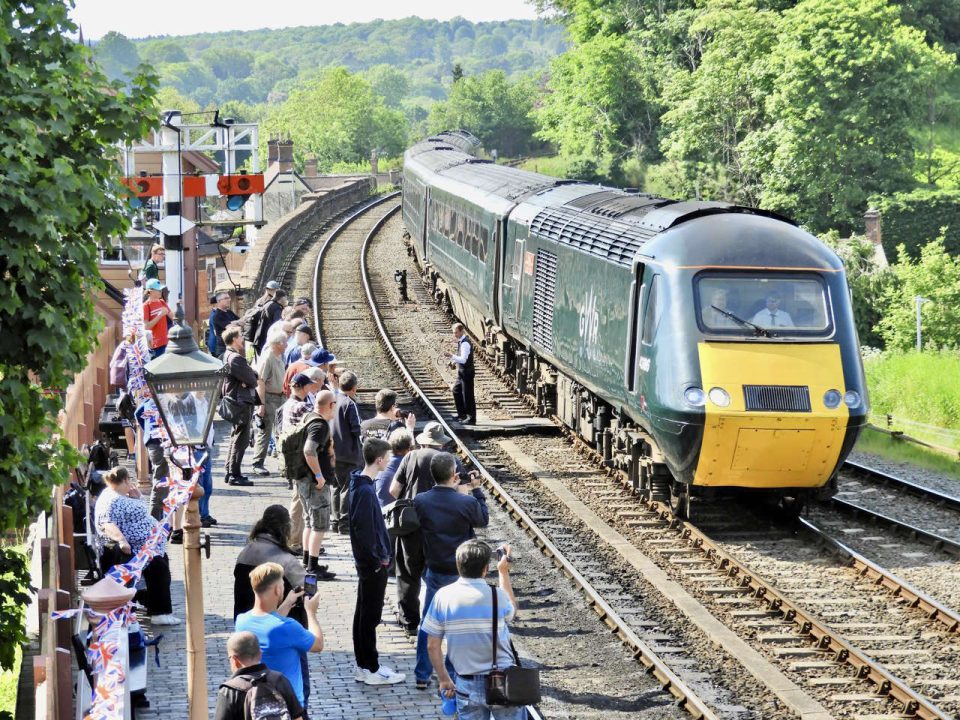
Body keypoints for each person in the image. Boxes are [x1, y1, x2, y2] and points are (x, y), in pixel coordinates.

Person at [412, 452, 489, 689]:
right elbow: (482, 520)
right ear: (455, 476)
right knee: (460, 624)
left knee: (429, 622)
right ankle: (454, 673)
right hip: (460, 571)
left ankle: (422, 674)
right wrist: (475, 491)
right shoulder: (466, 502)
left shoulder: (421, 500)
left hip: (435, 568)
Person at [422, 540, 522, 720]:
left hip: (466, 684)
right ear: (485, 568)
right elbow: (512, 610)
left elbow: (432, 645)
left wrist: (444, 678)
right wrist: (503, 572)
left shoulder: (442, 596)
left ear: (458, 564)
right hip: (502, 680)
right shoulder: (496, 595)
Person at [233, 505, 314, 712]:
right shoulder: (286, 561)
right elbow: (309, 590)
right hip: (284, 635)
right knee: (294, 690)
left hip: (249, 630)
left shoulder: (245, 552)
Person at [388, 421, 464, 636]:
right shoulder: (452, 461)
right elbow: (463, 493)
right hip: (442, 527)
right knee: (440, 573)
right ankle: (439, 621)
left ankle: (410, 622)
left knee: (407, 574)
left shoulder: (410, 457)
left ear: (422, 442)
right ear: (441, 444)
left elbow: (394, 490)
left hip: (411, 525)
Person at [348, 438, 405, 685]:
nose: (391, 460)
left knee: (364, 614)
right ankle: (370, 667)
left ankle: (365, 664)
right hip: (371, 565)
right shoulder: (364, 491)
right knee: (369, 616)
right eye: (388, 457)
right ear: (380, 459)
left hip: (368, 563)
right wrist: (378, 560)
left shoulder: (360, 486)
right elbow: (364, 531)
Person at [94, 467, 180, 625]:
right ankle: (160, 613)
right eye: (130, 481)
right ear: (126, 480)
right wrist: (122, 540)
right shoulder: (114, 499)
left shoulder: (110, 494)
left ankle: (151, 603)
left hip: (141, 547)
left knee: (160, 562)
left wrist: (137, 499)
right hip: (131, 550)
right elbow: (106, 523)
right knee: (159, 567)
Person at [235, 562, 324, 709]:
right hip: (289, 706)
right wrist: (311, 612)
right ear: (277, 589)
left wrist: (288, 603)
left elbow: (268, 623)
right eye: (282, 584)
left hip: (257, 703)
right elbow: (318, 645)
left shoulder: (242, 621)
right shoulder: (288, 627)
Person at [286, 384, 338, 579]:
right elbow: (309, 450)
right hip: (314, 483)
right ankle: (312, 567)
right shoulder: (319, 425)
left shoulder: (308, 417)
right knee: (319, 525)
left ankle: (309, 562)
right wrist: (319, 475)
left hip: (303, 480)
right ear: (330, 405)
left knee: (309, 522)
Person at [215, 631, 304, 720]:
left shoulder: (230, 691)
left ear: (235, 660)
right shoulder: (280, 679)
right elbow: (298, 718)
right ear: (260, 654)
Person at [134, 391, 183, 543]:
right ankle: (153, 522)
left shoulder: (151, 399)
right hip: (160, 441)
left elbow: (138, 413)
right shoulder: (168, 400)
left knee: (164, 480)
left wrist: (146, 432)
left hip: (154, 440)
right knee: (161, 481)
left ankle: (161, 522)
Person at [222, 326, 259, 486]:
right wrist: (249, 377)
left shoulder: (228, 355)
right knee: (241, 439)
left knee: (236, 436)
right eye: (241, 336)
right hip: (240, 402)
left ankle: (230, 471)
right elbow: (253, 380)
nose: (243, 338)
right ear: (235, 339)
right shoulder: (236, 358)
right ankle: (234, 474)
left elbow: (250, 377)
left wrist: (249, 376)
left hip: (236, 400)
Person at [251, 330, 288, 476]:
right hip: (270, 398)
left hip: (280, 397)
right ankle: (257, 463)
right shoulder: (268, 357)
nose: (286, 345)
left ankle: (282, 464)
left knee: (281, 432)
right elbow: (260, 381)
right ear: (278, 344)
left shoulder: (279, 356)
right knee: (265, 431)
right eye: (284, 342)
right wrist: (261, 404)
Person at [330, 370, 362, 535]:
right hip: (348, 454)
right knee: (346, 488)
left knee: (335, 487)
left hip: (333, 452)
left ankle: (334, 521)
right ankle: (344, 523)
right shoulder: (350, 404)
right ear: (354, 388)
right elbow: (357, 430)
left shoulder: (333, 400)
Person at [445, 323, 476, 424]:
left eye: (456, 332)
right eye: (454, 332)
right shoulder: (461, 341)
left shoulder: (465, 343)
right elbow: (460, 357)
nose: (455, 334)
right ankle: (462, 415)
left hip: (467, 372)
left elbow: (463, 359)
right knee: (456, 390)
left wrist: (451, 356)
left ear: (461, 331)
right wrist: (453, 361)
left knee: (468, 396)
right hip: (462, 372)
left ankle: (471, 418)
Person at [375, 429, 414, 507]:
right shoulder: (410, 466)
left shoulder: (380, 465)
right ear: (408, 448)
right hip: (397, 514)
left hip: (380, 512)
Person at [143, 279, 173, 358]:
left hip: (167, 342)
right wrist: (160, 315)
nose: (160, 291)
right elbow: (146, 326)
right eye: (158, 289)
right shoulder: (146, 306)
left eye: (161, 289)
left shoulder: (162, 302)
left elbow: (173, 317)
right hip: (156, 346)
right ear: (150, 291)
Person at [254, 290, 287, 356]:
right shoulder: (276, 308)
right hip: (266, 340)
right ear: (281, 298)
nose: (286, 300)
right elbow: (278, 325)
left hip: (259, 338)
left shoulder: (268, 303)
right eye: (285, 298)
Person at [208, 292, 239, 358]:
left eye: (229, 298)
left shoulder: (229, 312)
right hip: (221, 346)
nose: (229, 300)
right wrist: (234, 323)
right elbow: (230, 327)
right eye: (226, 298)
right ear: (218, 302)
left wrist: (233, 322)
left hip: (231, 345)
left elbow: (241, 322)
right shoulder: (215, 315)